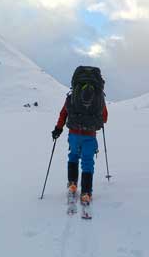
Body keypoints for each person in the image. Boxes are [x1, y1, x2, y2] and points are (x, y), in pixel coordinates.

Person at [51, 66, 108, 205]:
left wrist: (58, 129)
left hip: (74, 134)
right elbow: (104, 117)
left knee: (73, 156)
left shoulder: (73, 96)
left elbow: (64, 113)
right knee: (88, 162)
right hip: (90, 135)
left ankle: (72, 184)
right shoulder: (99, 97)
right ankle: (86, 192)